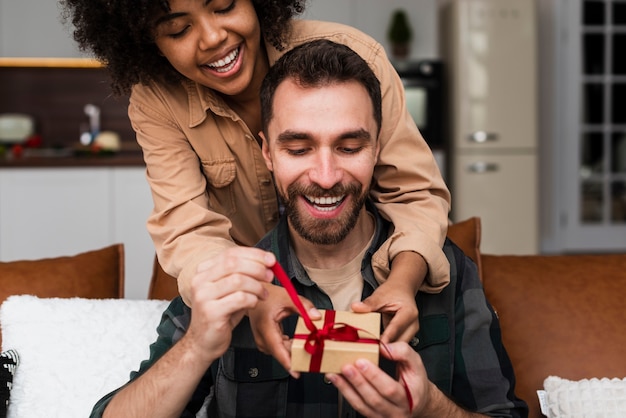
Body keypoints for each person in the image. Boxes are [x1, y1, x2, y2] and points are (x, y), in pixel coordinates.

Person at [90, 39, 528, 418]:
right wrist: (199, 345)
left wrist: (430, 408)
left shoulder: (444, 272)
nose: (325, 175)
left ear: (377, 148)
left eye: (350, 146)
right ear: (267, 154)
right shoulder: (233, 278)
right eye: (298, 148)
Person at [59, 0, 452, 365]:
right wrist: (254, 296)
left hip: (364, 285)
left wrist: (402, 281)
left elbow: (415, 193)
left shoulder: (351, 57)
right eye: (179, 29)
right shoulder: (157, 100)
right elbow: (186, 228)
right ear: (148, 44)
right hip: (259, 303)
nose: (213, 37)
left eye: (225, 6)